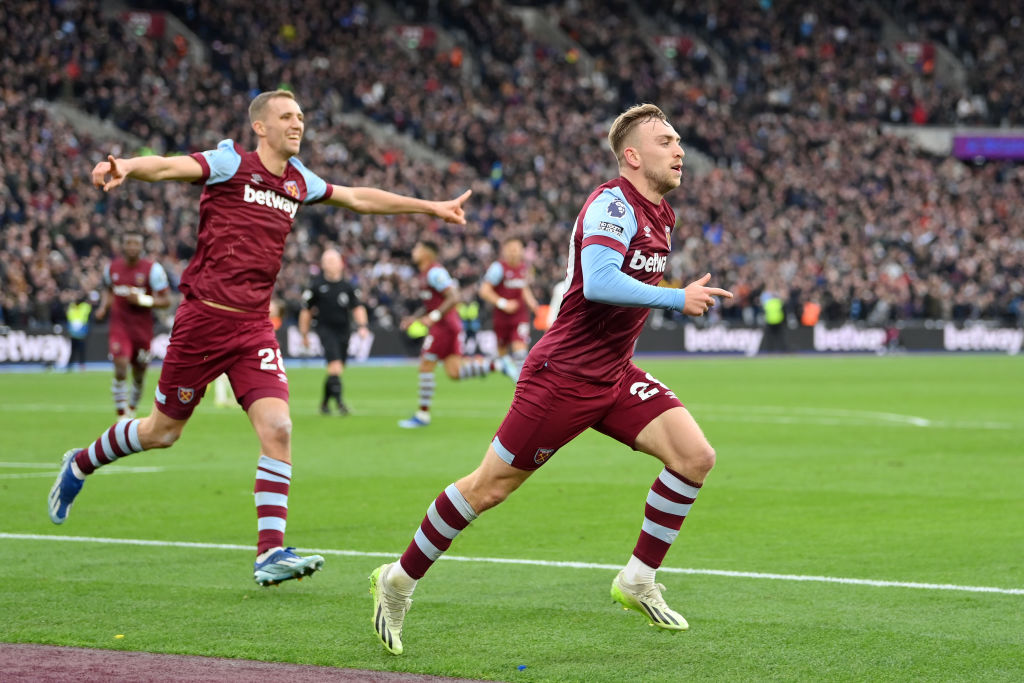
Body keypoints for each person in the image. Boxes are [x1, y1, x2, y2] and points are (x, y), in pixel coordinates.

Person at [48, 89, 472, 588]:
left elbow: (358, 198)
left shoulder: (299, 180)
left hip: (253, 328)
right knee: (161, 433)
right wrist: (126, 166)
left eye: (301, 116)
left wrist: (430, 207)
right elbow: (167, 167)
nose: (298, 124)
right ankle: (80, 462)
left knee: (279, 428)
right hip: (203, 321)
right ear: (260, 127)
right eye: (286, 116)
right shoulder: (229, 163)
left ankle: (269, 552)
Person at [370, 104, 733, 654]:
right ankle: (397, 581)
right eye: (665, 141)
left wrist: (671, 295)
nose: (679, 149)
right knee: (488, 487)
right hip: (562, 375)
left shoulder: (662, 214)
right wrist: (676, 298)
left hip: (614, 374)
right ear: (632, 156)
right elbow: (600, 282)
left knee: (694, 457)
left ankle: (637, 579)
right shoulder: (612, 203)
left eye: (679, 140)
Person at [397, 240, 516, 429]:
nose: (414, 251)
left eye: (417, 248)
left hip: (444, 327)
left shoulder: (435, 272)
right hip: (446, 326)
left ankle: (422, 414)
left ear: (427, 253)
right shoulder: (424, 274)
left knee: (426, 365)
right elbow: (431, 304)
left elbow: (454, 296)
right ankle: (497, 365)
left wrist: (434, 316)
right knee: (454, 372)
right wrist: (415, 318)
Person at [93, 231, 172, 418]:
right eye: (128, 243)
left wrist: (143, 300)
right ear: (122, 246)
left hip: (142, 330)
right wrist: (103, 307)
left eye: (136, 243)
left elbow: (166, 301)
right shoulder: (112, 268)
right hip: (119, 326)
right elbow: (108, 289)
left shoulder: (153, 270)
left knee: (139, 373)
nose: (132, 247)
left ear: (141, 246)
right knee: (120, 367)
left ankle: (132, 409)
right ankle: (121, 415)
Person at [299, 247, 369, 415]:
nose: (330, 264)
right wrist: (304, 334)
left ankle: (324, 404)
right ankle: (340, 404)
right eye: (327, 261)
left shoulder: (348, 286)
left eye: (333, 261)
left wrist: (362, 326)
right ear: (322, 264)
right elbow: (306, 311)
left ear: (340, 264)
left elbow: (358, 307)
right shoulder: (316, 286)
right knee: (335, 365)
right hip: (325, 329)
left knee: (337, 368)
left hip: (344, 330)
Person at [478, 237, 538, 380]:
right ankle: (512, 375)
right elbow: (484, 291)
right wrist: (503, 303)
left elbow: (523, 288)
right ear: (504, 251)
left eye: (517, 249)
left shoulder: (524, 268)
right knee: (502, 356)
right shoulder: (498, 268)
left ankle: (521, 386)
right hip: (501, 318)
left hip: (520, 316)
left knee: (520, 352)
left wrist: (533, 304)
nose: (514, 252)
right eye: (511, 249)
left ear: (522, 251)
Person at [65, 291, 93, 372]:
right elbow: (69, 318)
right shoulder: (72, 306)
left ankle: (81, 365)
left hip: (81, 332)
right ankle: (70, 365)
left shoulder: (85, 306)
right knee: (73, 350)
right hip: (73, 332)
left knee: (81, 350)